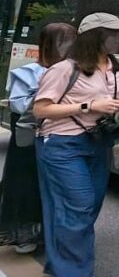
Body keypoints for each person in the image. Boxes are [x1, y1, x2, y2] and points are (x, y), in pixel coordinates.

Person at [33, 13, 119, 277]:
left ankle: (59, 263)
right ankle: (70, 276)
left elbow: (109, 106)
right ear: (96, 36)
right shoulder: (65, 69)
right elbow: (41, 109)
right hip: (62, 143)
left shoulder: (116, 69)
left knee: (89, 204)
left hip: (98, 142)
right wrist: (87, 106)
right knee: (77, 204)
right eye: (114, 33)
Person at [1, 23, 77, 254]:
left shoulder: (77, 70)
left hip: (62, 137)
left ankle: (49, 232)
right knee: (28, 185)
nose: (70, 46)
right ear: (49, 44)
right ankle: (25, 232)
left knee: (58, 187)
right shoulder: (29, 73)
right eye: (64, 41)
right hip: (30, 141)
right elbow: (19, 105)